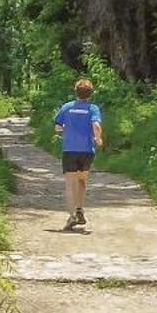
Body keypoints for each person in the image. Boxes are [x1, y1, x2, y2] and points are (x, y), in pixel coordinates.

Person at [53, 79, 103, 229]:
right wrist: (98, 139)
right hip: (87, 150)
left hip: (70, 149)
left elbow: (57, 127)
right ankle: (80, 208)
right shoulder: (92, 109)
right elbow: (96, 125)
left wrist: (68, 130)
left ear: (76, 92)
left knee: (70, 183)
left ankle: (72, 215)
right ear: (91, 94)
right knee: (82, 180)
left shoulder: (67, 107)